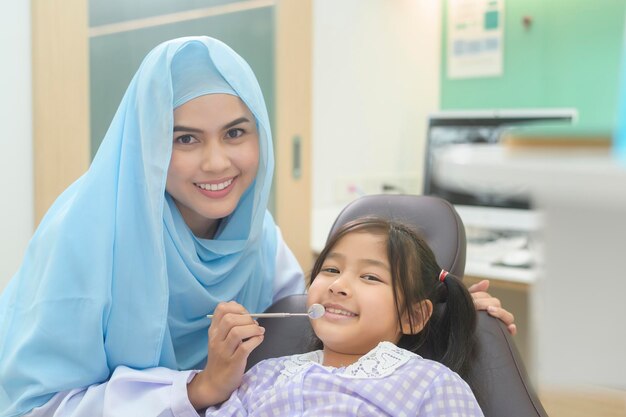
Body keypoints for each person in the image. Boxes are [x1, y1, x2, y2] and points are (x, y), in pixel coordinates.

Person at [0, 36, 511, 417]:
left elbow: (307, 307)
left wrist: (446, 302)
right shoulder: (85, 234)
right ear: (147, 144)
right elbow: (36, 406)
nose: (218, 163)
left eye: (236, 132)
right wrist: (198, 389)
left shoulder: (253, 233)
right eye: (184, 139)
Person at [201, 217, 484, 416]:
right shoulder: (264, 375)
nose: (338, 286)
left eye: (370, 277)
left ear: (413, 316)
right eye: (331, 270)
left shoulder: (432, 384)